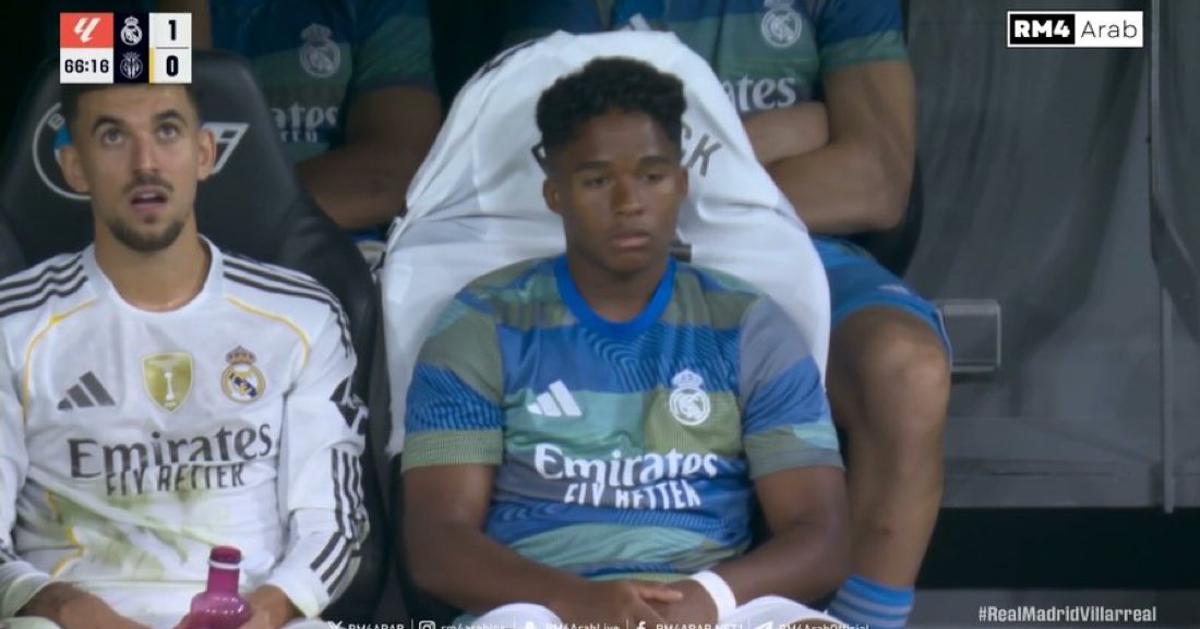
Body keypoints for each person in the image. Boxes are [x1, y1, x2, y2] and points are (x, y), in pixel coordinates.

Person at [499, 3, 951, 626]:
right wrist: (784, 133)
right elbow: (557, 152)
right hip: (601, 248)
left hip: (797, 240)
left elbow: (874, 182)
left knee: (908, 370)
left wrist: (685, 171)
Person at [401, 57, 849, 628]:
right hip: (540, 608)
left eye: (652, 176)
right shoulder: (480, 322)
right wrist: (578, 602)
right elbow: (437, 544)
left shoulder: (750, 325)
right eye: (595, 181)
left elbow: (823, 535)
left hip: (714, 601)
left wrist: (704, 599)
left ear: (681, 183)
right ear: (555, 194)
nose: (628, 203)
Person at [0, 81, 366, 629]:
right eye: (113, 136)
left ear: (204, 153)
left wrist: (266, 610)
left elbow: (332, 523)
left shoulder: (301, 316)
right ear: (75, 167)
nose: (145, 163)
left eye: (167, 131)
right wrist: (67, 607)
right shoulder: (12, 324)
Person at [157, 0, 442, 260]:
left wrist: (216, 215)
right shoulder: (141, 13)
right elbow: (164, 130)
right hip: (170, 261)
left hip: (329, 260)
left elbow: (393, 173)